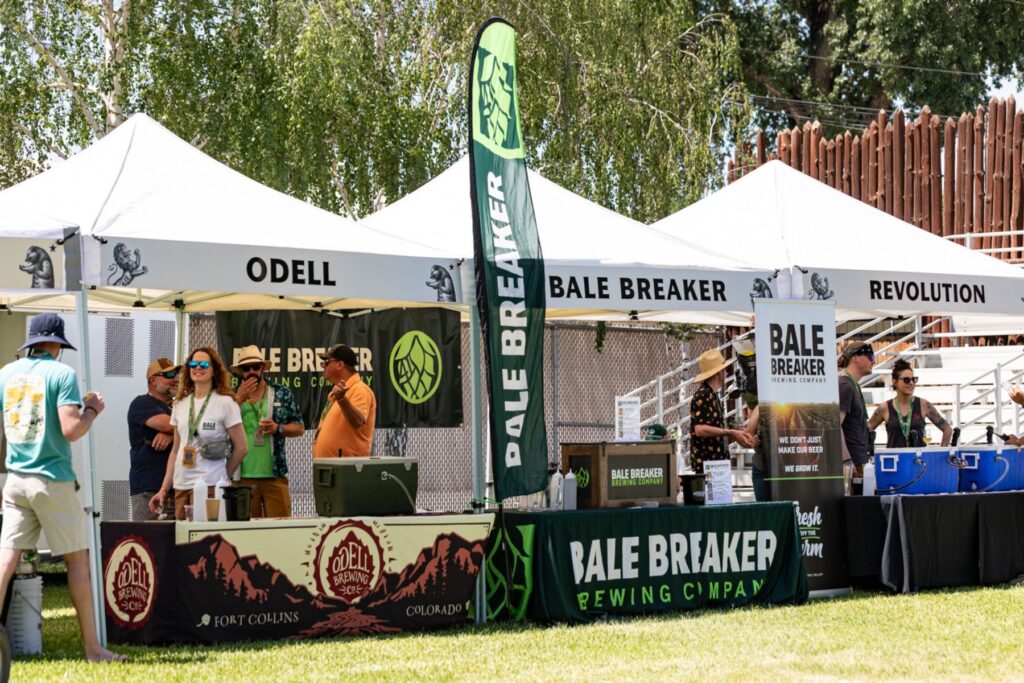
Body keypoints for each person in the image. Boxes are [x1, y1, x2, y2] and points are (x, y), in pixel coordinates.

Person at [0, 313, 126, 662]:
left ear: (31, 342)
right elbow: (71, 429)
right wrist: (92, 409)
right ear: (56, 344)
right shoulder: (61, 374)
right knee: (77, 563)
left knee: (5, 560)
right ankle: (92, 649)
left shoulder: (5, 374)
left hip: (15, 479)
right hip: (51, 479)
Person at [149, 348, 247, 519]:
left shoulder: (226, 402)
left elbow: (241, 448)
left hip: (210, 485)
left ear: (214, 370)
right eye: (193, 364)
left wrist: (222, 477)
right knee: (183, 542)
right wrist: (163, 489)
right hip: (181, 486)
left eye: (204, 364)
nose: (198, 368)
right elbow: (175, 451)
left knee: (205, 542)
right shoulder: (179, 403)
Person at [230, 346, 305, 517]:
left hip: (274, 476)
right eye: (246, 368)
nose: (251, 372)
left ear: (263, 368)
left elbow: (299, 428)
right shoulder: (230, 396)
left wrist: (278, 428)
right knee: (245, 534)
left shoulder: (281, 393)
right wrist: (239, 399)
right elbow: (220, 428)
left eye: (256, 367)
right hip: (241, 477)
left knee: (280, 531)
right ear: (240, 372)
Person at [688, 348, 757, 474]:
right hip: (708, 464)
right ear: (718, 372)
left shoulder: (711, 394)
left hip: (715, 462)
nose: (726, 373)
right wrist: (731, 432)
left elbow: (713, 429)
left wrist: (734, 432)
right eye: (724, 369)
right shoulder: (704, 394)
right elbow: (700, 430)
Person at [127, 358, 179, 520]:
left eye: (177, 374)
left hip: (175, 490)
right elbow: (174, 426)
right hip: (148, 489)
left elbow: (191, 427)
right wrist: (172, 432)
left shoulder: (176, 408)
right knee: (148, 542)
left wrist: (171, 436)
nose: (175, 379)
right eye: (169, 374)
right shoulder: (142, 403)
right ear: (152, 380)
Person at [867, 359, 952, 447]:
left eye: (914, 379)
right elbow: (865, 431)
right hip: (895, 459)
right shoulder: (885, 407)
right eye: (906, 380)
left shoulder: (923, 404)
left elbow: (947, 429)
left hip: (917, 459)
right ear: (894, 382)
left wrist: (942, 454)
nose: (911, 383)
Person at [313, 344, 376, 458]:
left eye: (326, 362)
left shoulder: (359, 389)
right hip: (332, 467)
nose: (323, 366)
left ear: (340, 364)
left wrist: (342, 399)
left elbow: (358, 421)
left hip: (349, 469)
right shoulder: (336, 393)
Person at [838, 341, 874, 478]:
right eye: (870, 357)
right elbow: (835, 425)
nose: (874, 361)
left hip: (859, 460)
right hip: (853, 464)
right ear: (856, 358)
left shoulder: (852, 384)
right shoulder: (845, 385)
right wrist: (847, 461)